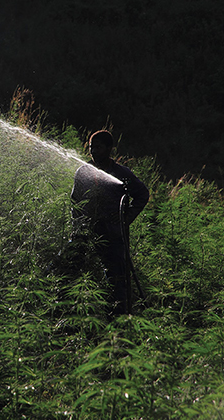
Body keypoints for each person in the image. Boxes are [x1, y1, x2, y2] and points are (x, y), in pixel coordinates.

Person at [70, 129, 149, 316]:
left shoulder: (122, 173)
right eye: (91, 148)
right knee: (71, 268)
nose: (93, 152)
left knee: (116, 278)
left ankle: (118, 316)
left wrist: (126, 218)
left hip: (112, 233)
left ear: (109, 149)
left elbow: (142, 194)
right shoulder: (83, 171)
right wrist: (77, 226)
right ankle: (69, 310)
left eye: (98, 147)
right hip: (85, 231)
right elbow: (75, 201)